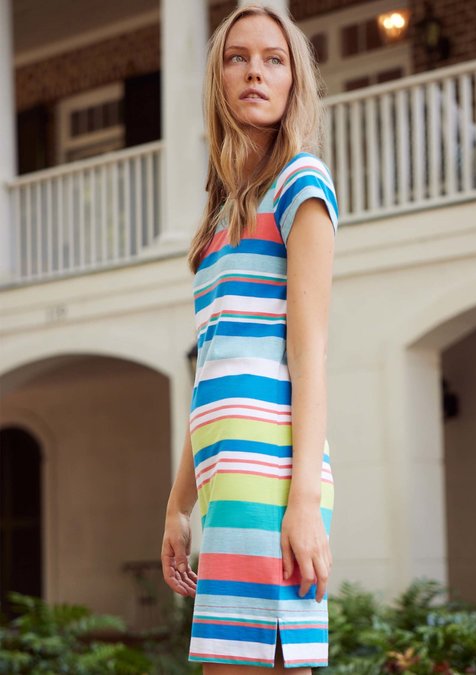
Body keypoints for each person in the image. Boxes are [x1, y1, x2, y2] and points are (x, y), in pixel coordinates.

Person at [161, 3, 338, 672]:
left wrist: (304, 503)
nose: (255, 72)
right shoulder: (218, 222)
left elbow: (310, 354)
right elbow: (211, 372)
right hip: (224, 479)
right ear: (219, 78)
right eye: (238, 58)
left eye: (274, 59)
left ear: (294, 80)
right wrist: (178, 506)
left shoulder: (301, 185)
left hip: (273, 478)